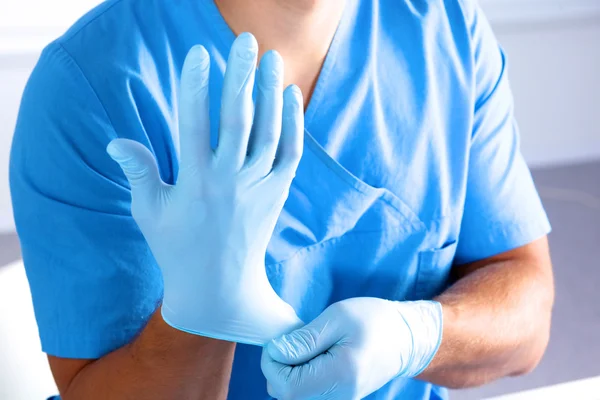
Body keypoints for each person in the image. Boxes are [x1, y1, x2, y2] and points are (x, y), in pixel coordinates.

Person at [9, 0, 555, 399]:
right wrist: (200, 313)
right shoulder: (91, 87)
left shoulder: (446, 31)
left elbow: (526, 313)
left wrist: (416, 335)